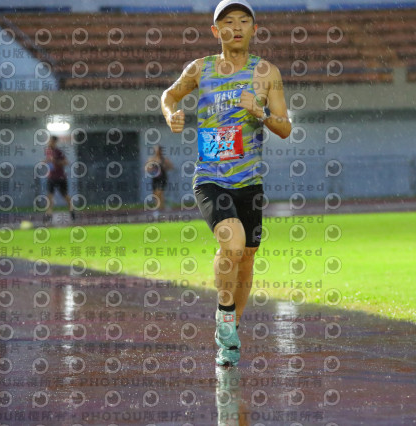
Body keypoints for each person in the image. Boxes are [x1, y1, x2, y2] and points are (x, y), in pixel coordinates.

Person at [162, 0, 291, 367]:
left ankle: (231, 332)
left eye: (243, 21)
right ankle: (223, 317)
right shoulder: (199, 68)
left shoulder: (266, 73)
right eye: (227, 21)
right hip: (210, 179)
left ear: (254, 29)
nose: (236, 27)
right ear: (215, 31)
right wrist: (171, 113)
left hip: (249, 182)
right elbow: (169, 95)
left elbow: (285, 128)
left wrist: (259, 113)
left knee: (247, 258)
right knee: (232, 246)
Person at [44, 135, 74, 223]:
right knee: (49, 196)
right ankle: (49, 214)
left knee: (65, 196)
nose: (49, 142)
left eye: (51, 141)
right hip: (51, 177)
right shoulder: (48, 151)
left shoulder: (58, 152)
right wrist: (46, 161)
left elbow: (66, 162)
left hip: (60, 177)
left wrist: (56, 162)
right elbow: (49, 162)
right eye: (49, 141)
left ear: (54, 142)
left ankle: (72, 211)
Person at [144, 145, 174, 216]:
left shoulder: (164, 159)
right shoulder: (152, 159)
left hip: (162, 178)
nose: (158, 151)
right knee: (155, 194)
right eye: (156, 150)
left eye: (159, 150)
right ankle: (162, 207)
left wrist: (165, 167)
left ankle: (158, 209)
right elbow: (146, 168)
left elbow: (171, 167)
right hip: (155, 179)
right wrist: (151, 169)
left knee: (159, 193)